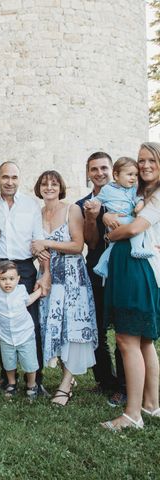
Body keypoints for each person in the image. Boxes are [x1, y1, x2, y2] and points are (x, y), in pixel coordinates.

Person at [101, 142, 160, 431]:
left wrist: (111, 236)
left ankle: (132, 414)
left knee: (127, 340)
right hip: (134, 265)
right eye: (141, 162)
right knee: (145, 340)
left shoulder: (157, 195)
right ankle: (151, 404)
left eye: (151, 160)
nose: (145, 166)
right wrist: (104, 216)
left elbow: (136, 228)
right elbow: (111, 211)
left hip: (135, 267)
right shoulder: (138, 192)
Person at [0, 161, 51, 395]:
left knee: (31, 323)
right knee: (2, 322)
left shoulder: (31, 206)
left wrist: (45, 273)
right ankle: (7, 376)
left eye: (14, 177)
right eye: (5, 177)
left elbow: (39, 243)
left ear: (19, 180)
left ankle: (35, 379)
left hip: (24, 269)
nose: (10, 182)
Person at [31, 170, 98, 406]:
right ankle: (66, 373)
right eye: (44, 183)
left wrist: (46, 242)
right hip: (48, 275)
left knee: (73, 326)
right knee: (52, 323)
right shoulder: (36, 213)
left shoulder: (72, 209)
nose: (49, 187)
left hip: (71, 275)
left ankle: (66, 384)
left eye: (54, 184)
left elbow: (78, 245)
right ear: (38, 188)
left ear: (61, 188)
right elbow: (37, 246)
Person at [76, 152, 125, 403]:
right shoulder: (82, 203)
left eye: (104, 168)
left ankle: (124, 386)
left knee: (123, 332)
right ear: (87, 173)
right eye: (93, 169)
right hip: (95, 271)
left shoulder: (126, 196)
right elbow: (91, 242)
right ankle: (105, 380)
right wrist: (91, 217)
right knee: (95, 331)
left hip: (122, 272)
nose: (99, 173)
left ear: (112, 170)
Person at [93, 157, 152, 278]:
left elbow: (138, 199)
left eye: (136, 175)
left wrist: (140, 204)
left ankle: (101, 265)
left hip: (121, 222)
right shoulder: (107, 189)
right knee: (138, 225)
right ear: (116, 175)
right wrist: (92, 205)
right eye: (130, 174)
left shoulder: (134, 189)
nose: (133, 178)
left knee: (113, 245)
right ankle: (137, 248)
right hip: (118, 219)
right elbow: (97, 200)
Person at [0, 261, 42, 401]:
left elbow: (27, 301)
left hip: (24, 333)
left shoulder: (21, 290)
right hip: (6, 335)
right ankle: (12, 383)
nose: (8, 283)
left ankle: (32, 385)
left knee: (30, 362)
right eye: (3, 279)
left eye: (11, 279)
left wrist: (39, 292)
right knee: (9, 362)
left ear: (18, 279)